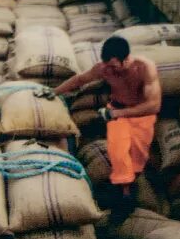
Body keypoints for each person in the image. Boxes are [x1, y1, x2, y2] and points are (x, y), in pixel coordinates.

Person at [53, 35, 161, 220]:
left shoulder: (144, 68)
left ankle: (134, 184)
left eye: (114, 66)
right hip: (116, 112)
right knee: (118, 151)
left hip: (141, 116)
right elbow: (79, 80)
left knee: (137, 158)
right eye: (107, 65)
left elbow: (154, 105)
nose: (109, 70)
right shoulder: (104, 68)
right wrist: (52, 92)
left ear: (126, 59)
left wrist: (121, 114)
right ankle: (124, 197)